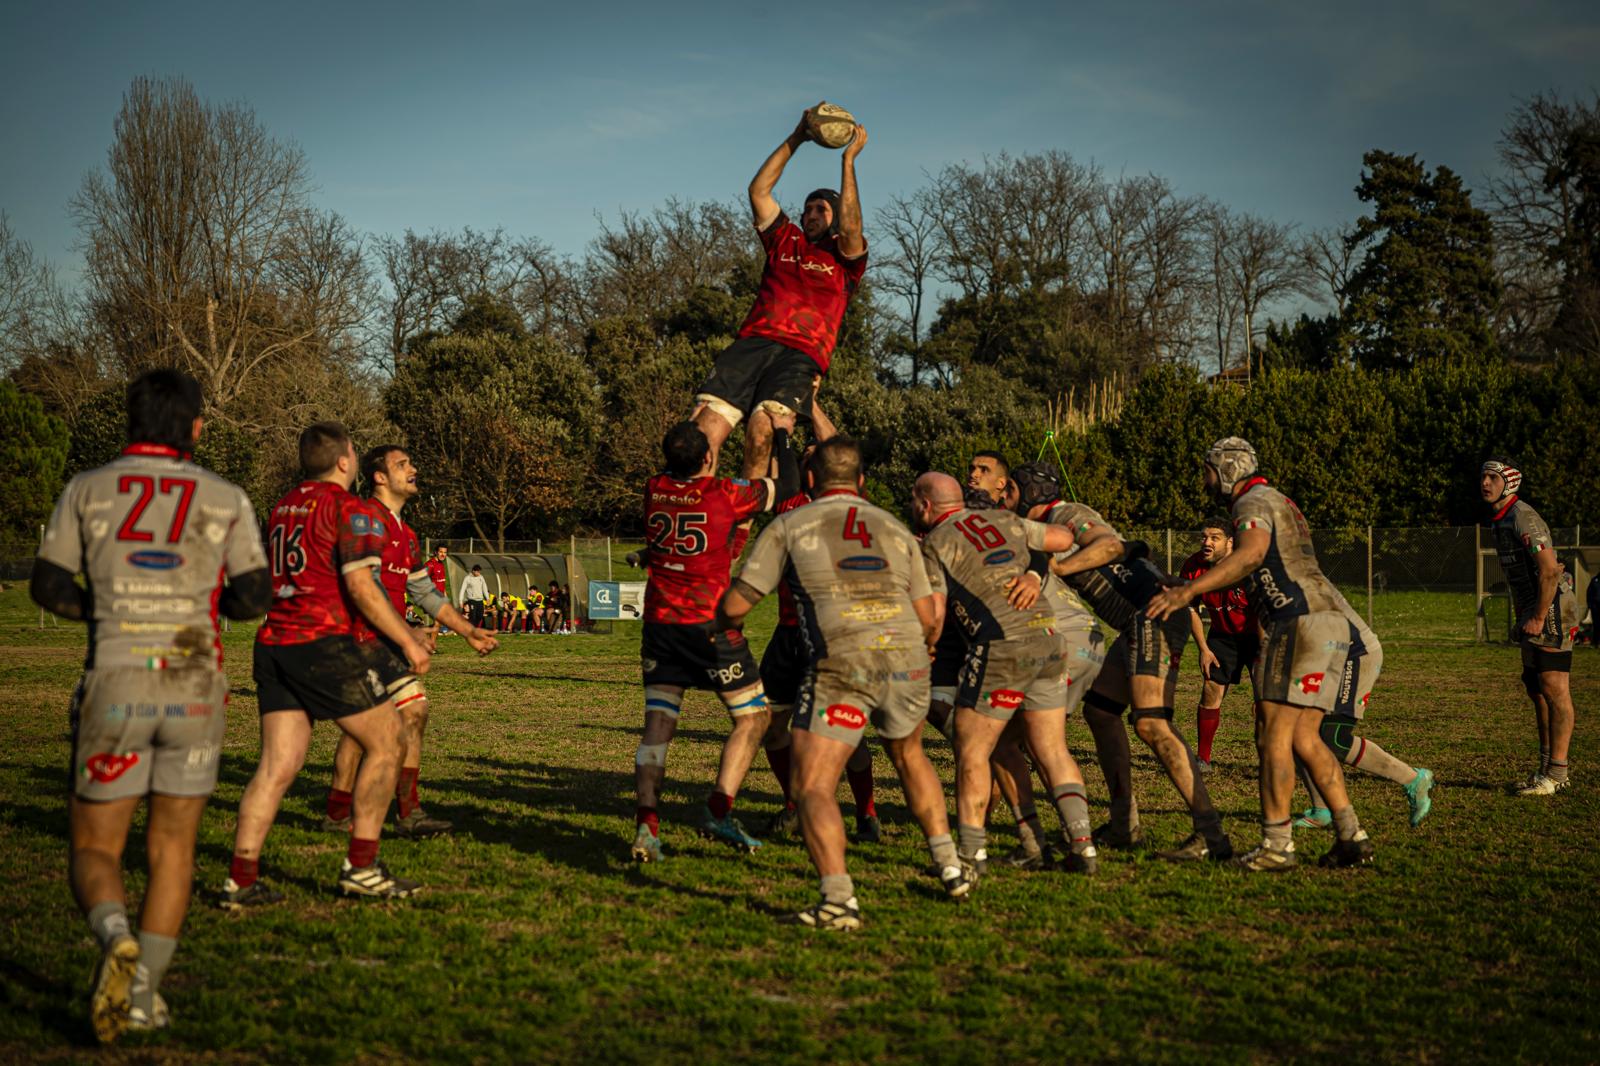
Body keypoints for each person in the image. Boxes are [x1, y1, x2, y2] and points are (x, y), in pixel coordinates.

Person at [31, 369, 272, 1042]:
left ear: (129, 422)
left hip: (116, 682)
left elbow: (48, 584)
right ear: (196, 426)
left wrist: (102, 613)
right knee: (173, 850)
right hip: (195, 686)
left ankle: (114, 935)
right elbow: (255, 597)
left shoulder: (86, 488)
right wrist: (198, 609)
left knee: (94, 846)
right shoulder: (225, 497)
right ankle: (142, 997)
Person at [719, 440, 970, 929]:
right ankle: (950, 863)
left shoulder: (793, 523)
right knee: (910, 756)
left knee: (812, 783)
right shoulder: (896, 528)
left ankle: (838, 899)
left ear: (810, 481)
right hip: (907, 657)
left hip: (843, 659)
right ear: (861, 483)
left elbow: (742, 601)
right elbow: (928, 616)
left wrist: (710, 622)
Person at [222, 422, 431, 907]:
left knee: (276, 766)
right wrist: (409, 639)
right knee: (388, 741)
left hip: (273, 642)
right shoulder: (348, 509)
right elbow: (361, 587)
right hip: (320, 643)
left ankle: (241, 877)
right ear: (345, 461)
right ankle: (361, 867)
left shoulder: (282, 506)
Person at [1148, 438, 1379, 871]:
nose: (1205, 478)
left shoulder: (1249, 502)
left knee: (1271, 734)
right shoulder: (1281, 500)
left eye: (1208, 469)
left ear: (1226, 470)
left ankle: (1277, 845)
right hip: (1330, 620)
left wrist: (1191, 589)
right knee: (1305, 737)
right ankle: (1352, 835)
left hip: (1296, 621)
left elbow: (1252, 554)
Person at [1004, 462, 1233, 864]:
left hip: (1153, 612)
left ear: (1030, 491)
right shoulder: (1043, 530)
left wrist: (1055, 568)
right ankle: (1123, 823)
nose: (1006, 500)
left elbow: (1109, 546)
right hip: (1136, 621)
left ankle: (1211, 834)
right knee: (1100, 711)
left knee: (1151, 723)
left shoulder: (1067, 513)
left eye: (1010, 492)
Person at [915, 472, 1104, 881]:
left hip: (1002, 646)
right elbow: (1059, 537)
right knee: (1052, 749)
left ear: (925, 505)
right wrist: (1035, 572)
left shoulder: (935, 542)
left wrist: (927, 643)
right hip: (1048, 639)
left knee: (972, 749)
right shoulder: (1005, 520)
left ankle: (970, 855)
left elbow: (934, 611)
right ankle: (1082, 846)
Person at [630, 420, 800, 862]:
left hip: (661, 625)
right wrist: (782, 435)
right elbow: (790, 485)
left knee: (659, 724)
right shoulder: (725, 494)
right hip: (709, 626)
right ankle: (718, 808)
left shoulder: (654, 488)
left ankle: (646, 825)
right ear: (708, 458)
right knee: (753, 718)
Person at [322, 446, 499, 842]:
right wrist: (409, 634)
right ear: (380, 477)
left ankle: (404, 811)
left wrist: (468, 631)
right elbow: (365, 587)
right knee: (370, 728)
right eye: (402, 465)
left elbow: (424, 592)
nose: (413, 469)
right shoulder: (366, 519)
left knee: (406, 717)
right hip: (357, 642)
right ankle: (349, 812)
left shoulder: (406, 532)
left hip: (385, 643)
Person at [692, 107, 868, 481]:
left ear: (835, 217)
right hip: (753, 343)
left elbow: (853, 228)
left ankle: (742, 531)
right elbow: (759, 191)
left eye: (821, 208)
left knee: (762, 432)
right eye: (807, 209)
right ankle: (701, 517)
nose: (811, 213)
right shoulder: (785, 239)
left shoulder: (845, 259)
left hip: (801, 353)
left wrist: (847, 161)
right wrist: (797, 137)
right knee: (702, 430)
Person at [1482, 458, 1582, 794]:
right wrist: (1521, 616)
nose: (1485, 483)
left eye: (1492, 477)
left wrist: (1538, 616)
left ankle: (1557, 774)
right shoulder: (1500, 519)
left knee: (1555, 690)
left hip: (1552, 609)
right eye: (1483, 477)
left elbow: (1550, 571)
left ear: (1509, 482)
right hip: (1532, 611)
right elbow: (1518, 577)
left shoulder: (1522, 515)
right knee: (1537, 691)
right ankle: (1545, 771)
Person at [1180, 517, 1259, 772]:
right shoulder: (1193, 566)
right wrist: (1203, 648)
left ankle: (1272, 761)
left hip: (1259, 636)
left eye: (1214, 537)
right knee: (1210, 690)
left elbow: (1265, 612)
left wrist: (1267, 653)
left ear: (1230, 542)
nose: (1207, 542)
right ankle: (1203, 759)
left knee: (1266, 703)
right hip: (1221, 636)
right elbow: (1190, 608)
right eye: (1204, 537)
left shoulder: (1247, 566)